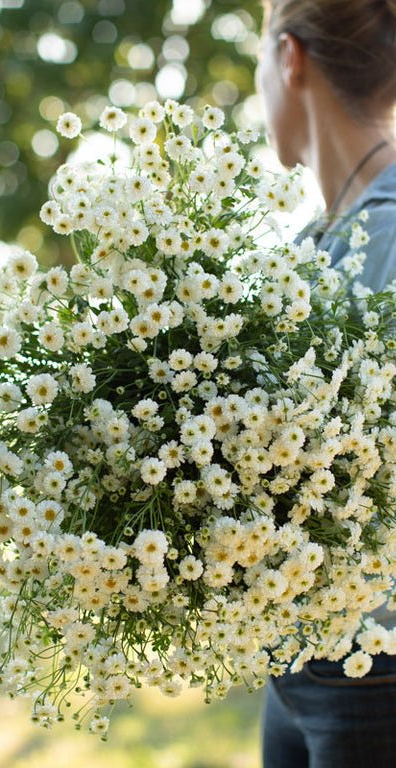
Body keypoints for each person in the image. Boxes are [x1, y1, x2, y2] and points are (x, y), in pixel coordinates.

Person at [255, 1, 396, 766]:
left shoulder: (390, 237)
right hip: (300, 662)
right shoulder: (314, 245)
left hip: (376, 668)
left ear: (290, 59)